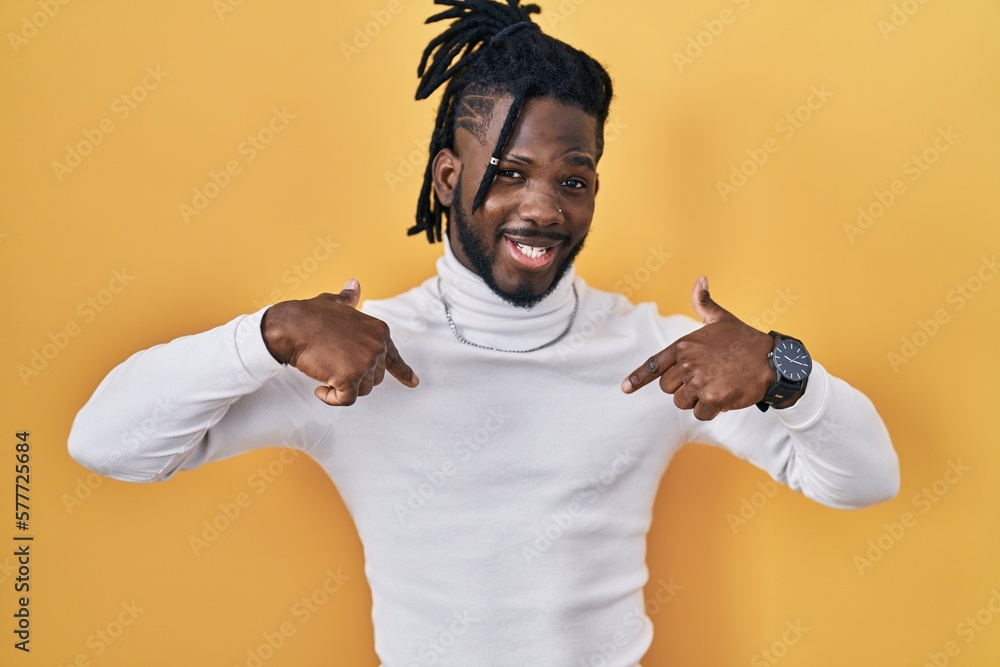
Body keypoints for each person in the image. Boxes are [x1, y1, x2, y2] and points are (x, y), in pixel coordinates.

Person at [68, 1, 900, 664]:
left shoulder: (662, 360)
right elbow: (106, 443)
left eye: (573, 179)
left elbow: (866, 480)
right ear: (447, 175)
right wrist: (270, 331)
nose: (543, 207)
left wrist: (784, 368)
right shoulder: (352, 359)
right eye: (508, 174)